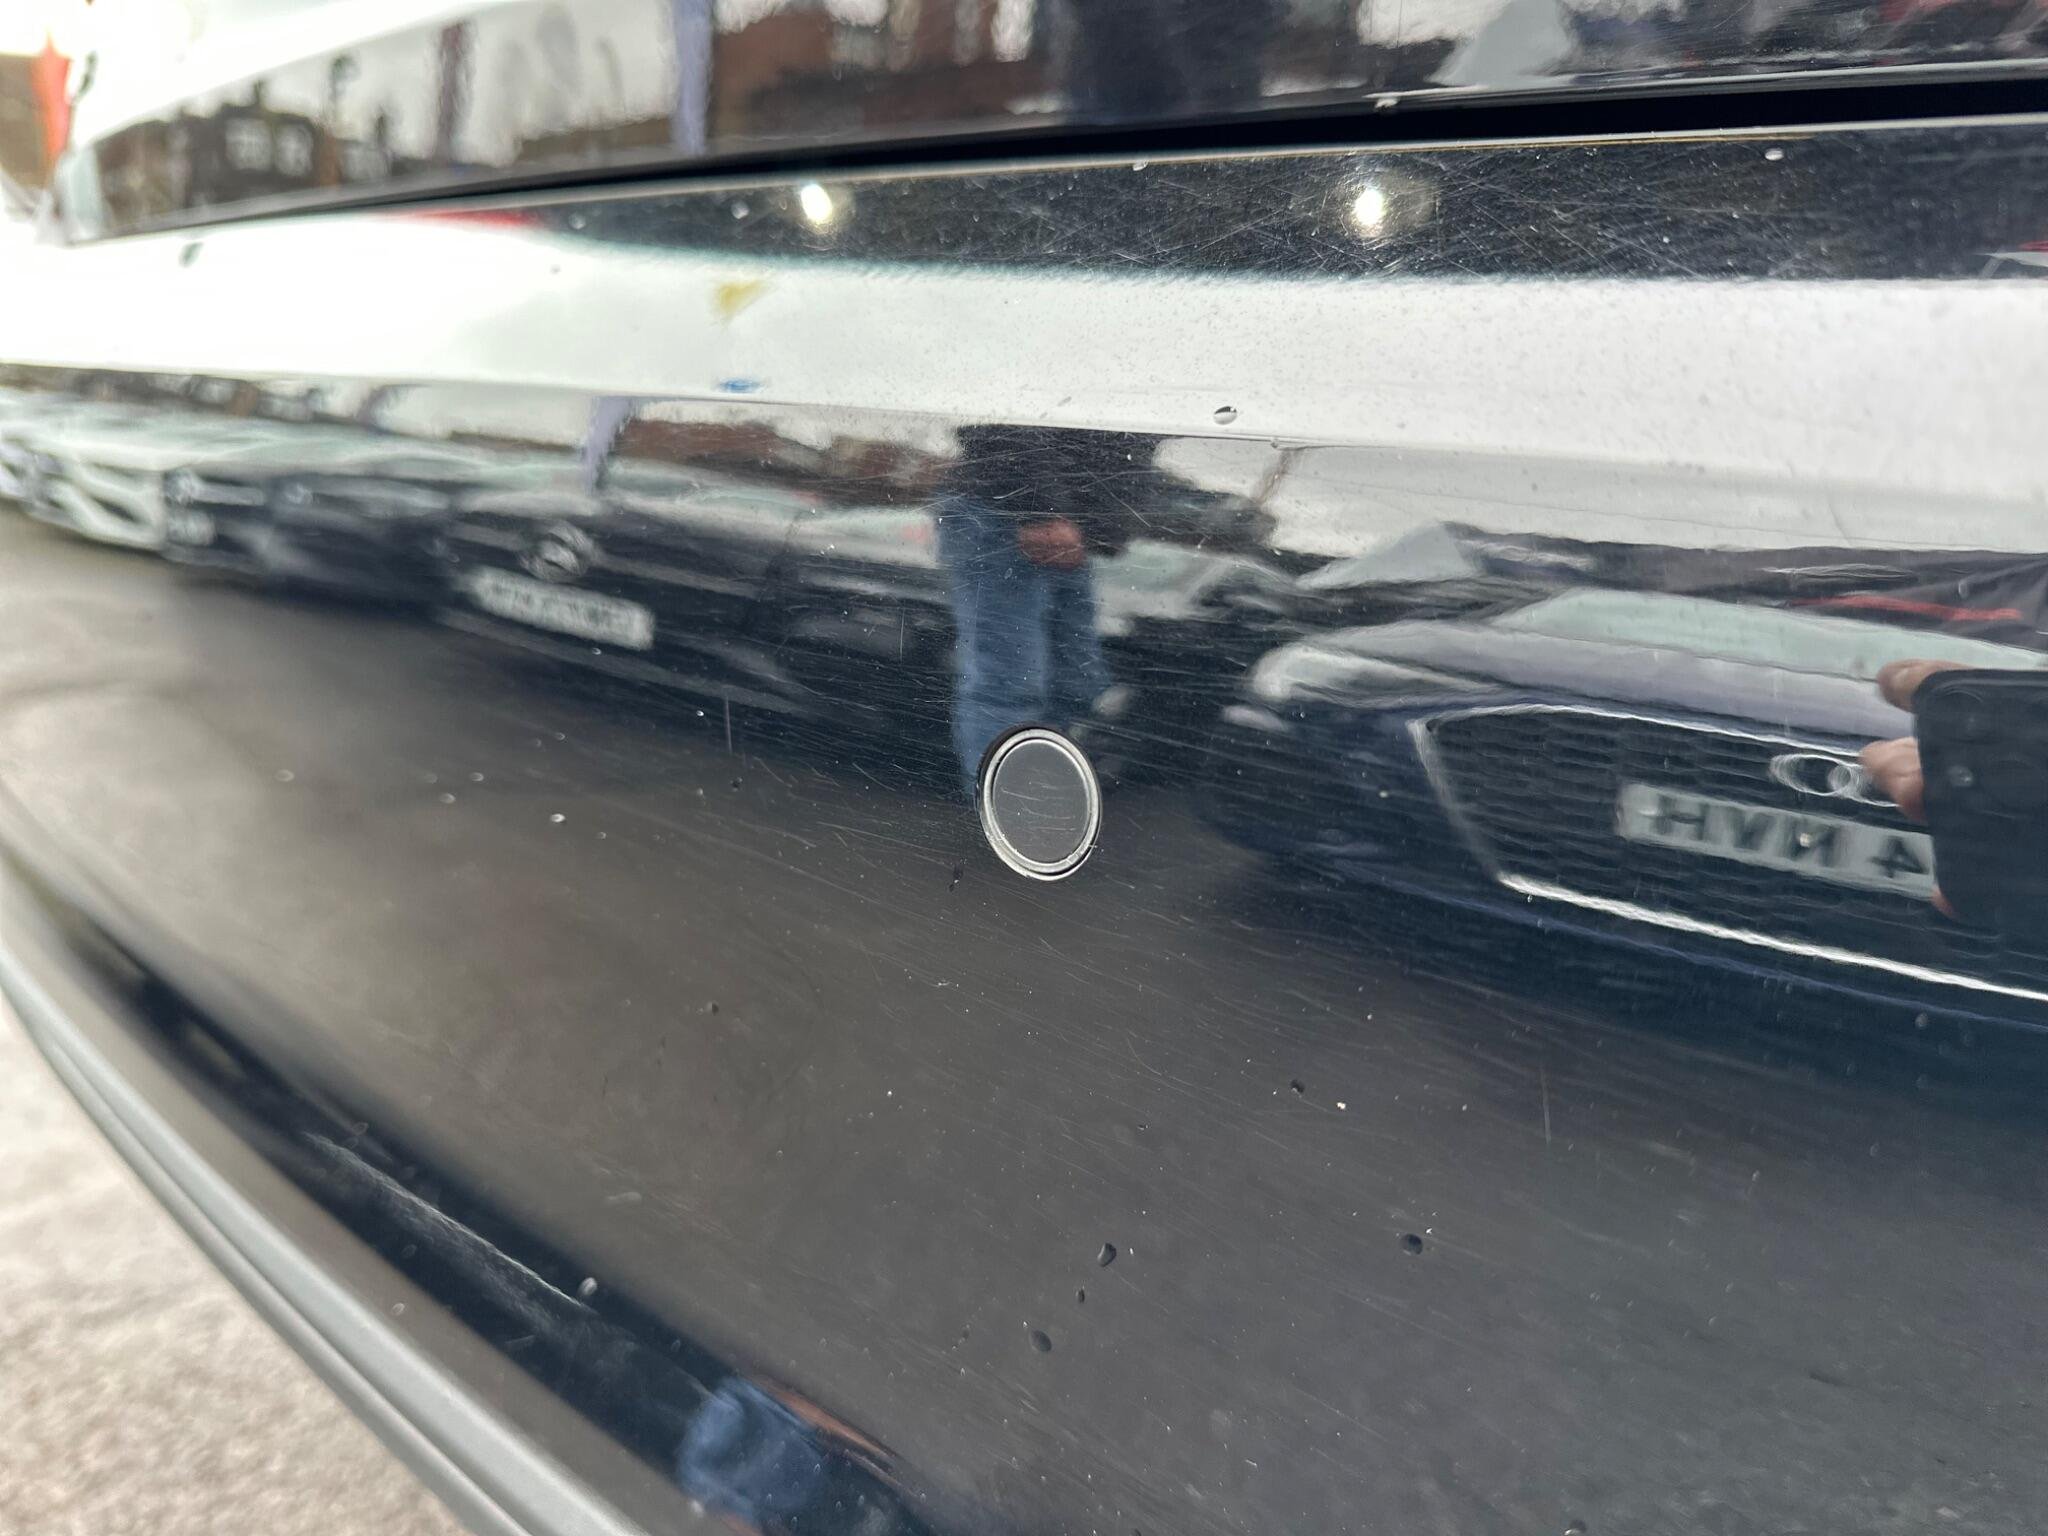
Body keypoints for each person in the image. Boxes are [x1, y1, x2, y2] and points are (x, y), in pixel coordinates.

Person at [934, 425, 1147, 792]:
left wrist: (1102, 525)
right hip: (1009, 512)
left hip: (1065, 523)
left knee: (1077, 683)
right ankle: (1009, 809)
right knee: (1009, 685)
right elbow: (994, 418)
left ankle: (1039, 792)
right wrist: (1038, 507)